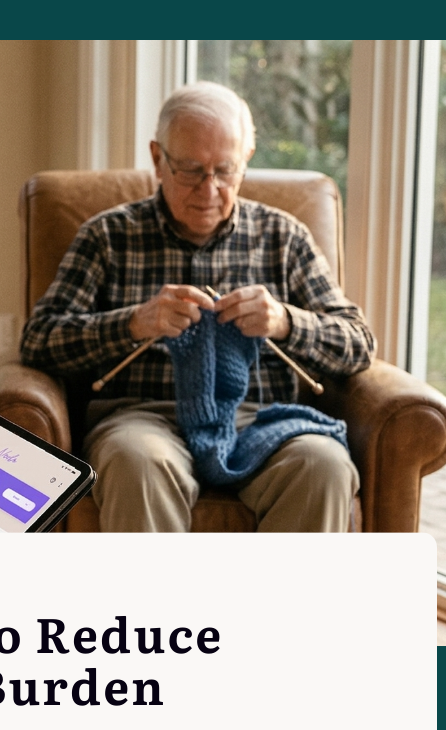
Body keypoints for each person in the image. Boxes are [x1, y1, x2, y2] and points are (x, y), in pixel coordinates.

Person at [20, 81, 375, 533]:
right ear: (157, 159)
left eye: (224, 170)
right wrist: (134, 322)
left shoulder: (284, 238)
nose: (209, 189)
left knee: (323, 464)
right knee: (137, 461)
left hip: (262, 420)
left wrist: (285, 321)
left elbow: (358, 343)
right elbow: (38, 340)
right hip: (144, 418)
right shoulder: (108, 236)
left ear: (245, 160)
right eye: (190, 170)